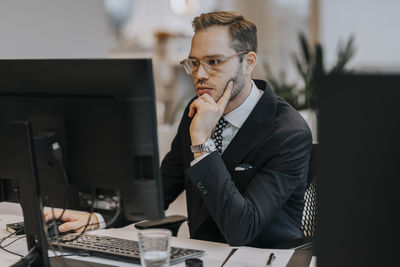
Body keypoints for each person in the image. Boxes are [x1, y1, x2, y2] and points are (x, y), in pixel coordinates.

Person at [45, 11, 312, 248]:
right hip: (204, 254)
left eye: (215, 62)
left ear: (249, 62)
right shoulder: (196, 111)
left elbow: (241, 229)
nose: (200, 74)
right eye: (194, 63)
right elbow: (160, 191)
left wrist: (201, 142)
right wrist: (99, 218)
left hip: (263, 258)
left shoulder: (288, 132)